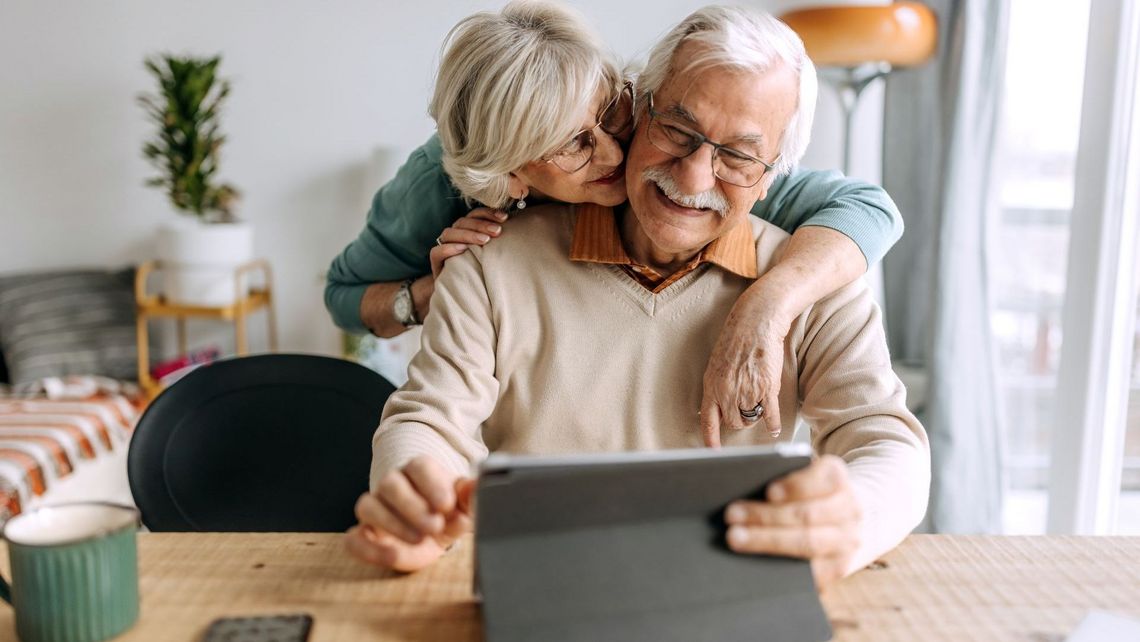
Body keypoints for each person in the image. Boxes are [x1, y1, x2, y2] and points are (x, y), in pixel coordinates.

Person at [346, 4, 930, 591]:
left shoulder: (815, 275)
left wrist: (855, 517)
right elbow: (428, 420)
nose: (696, 177)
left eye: (739, 155)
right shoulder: (482, 263)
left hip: (726, 590)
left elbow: (883, 440)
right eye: (678, 130)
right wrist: (418, 492)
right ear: (641, 110)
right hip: (540, 583)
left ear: (775, 172)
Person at [323, 0, 904, 441]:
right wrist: (432, 294)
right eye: (573, 144)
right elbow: (345, 298)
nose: (613, 152)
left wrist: (766, 308)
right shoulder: (437, 189)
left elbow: (871, 210)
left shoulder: (680, 151)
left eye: (612, 110)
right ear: (512, 177)